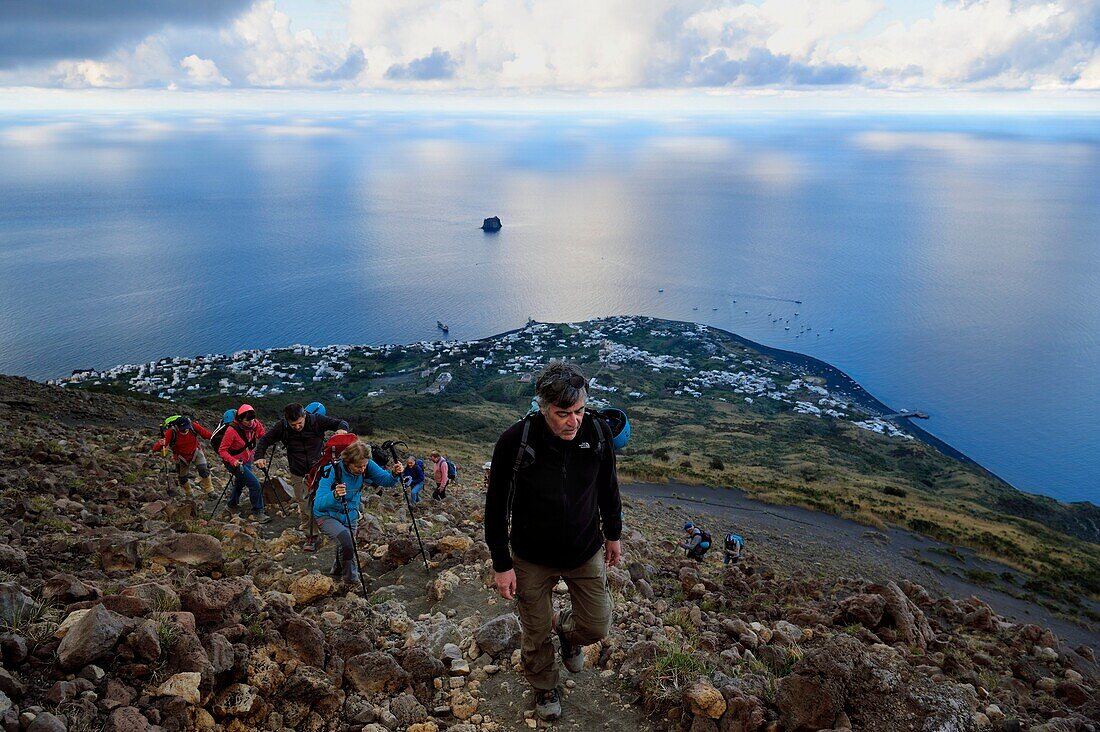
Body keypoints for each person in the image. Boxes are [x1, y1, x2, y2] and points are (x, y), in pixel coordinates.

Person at [484, 361, 622, 722]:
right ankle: (544, 687)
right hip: (531, 555)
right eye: (563, 414)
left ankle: (567, 630)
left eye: (578, 411)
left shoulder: (597, 433)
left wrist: (614, 533)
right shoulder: (515, 442)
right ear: (543, 407)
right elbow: (496, 509)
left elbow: (608, 487)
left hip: (584, 547)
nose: (572, 421)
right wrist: (502, 564)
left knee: (596, 625)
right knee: (535, 629)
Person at [254, 402, 350, 545]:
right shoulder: (282, 426)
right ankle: (311, 535)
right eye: (294, 425)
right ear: (287, 421)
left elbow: (341, 423)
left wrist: (342, 430)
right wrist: (259, 456)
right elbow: (265, 440)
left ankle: (334, 526)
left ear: (304, 415)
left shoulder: (316, 420)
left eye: (299, 423)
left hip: (319, 470)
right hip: (298, 471)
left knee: (326, 499)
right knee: (304, 504)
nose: (297, 427)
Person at [312, 440, 403, 585]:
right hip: (326, 515)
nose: (362, 469)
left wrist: (394, 474)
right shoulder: (332, 470)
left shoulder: (366, 464)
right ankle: (351, 581)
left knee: (347, 543)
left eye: (364, 466)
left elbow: (386, 481)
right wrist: (335, 495)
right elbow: (318, 503)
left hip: (350, 513)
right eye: (358, 466)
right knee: (347, 543)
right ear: (347, 462)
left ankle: (337, 569)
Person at [216, 404, 271, 524]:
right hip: (234, 462)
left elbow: (262, 435)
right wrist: (233, 461)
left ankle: (232, 504)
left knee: (240, 483)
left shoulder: (254, 423)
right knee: (254, 484)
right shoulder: (232, 430)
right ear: (240, 419)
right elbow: (222, 450)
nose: (251, 422)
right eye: (248, 420)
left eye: (252, 419)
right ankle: (258, 512)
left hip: (247, 459)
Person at [152, 417, 214, 496]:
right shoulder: (171, 432)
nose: (185, 430)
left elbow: (208, 435)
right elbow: (155, 449)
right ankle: (189, 493)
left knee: (203, 470)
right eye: (182, 429)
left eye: (186, 428)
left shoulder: (193, 426)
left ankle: (210, 491)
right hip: (181, 456)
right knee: (182, 478)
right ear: (177, 427)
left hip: (195, 451)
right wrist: (160, 444)